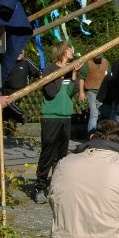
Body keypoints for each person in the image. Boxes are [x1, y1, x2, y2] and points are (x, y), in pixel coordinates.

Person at [34, 41, 80, 204]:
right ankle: (39, 187)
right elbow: (50, 92)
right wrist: (62, 73)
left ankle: (57, 187)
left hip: (65, 116)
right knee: (48, 152)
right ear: (62, 51)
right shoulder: (49, 70)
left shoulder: (70, 72)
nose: (71, 50)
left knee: (61, 156)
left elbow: (70, 93)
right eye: (69, 48)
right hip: (51, 116)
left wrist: (73, 74)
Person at [0, 50, 41, 123]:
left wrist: (42, 76)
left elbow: (37, 72)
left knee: (10, 104)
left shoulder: (26, 62)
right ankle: (14, 123)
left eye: (21, 52)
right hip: (7, 91)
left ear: (24, 53)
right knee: (7, 109)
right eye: (17, 52)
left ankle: (22, 115)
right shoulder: (8, 63)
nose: (19, 54)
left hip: (21, 92)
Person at [78, 54, 110, 135]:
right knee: (94, 115)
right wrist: (81, 92)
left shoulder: (106, 62)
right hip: (91, 92)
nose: (99, 59)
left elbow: (110, 76)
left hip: (103, 93)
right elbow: (81, 78)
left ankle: (101, 136)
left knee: (102, 115)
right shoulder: (88, 63)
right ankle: (91, 136)